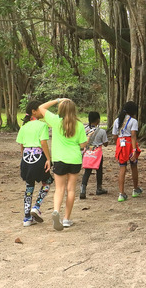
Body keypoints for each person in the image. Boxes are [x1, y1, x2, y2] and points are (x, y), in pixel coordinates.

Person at [37, 97, 87, 231]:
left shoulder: (55, 121)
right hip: (75, 160)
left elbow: (41, 107)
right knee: (71, 189)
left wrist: (57, 100)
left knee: (59, 189)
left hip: (59, 160)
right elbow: (82, 144)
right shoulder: (80, 125)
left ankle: (56, 211)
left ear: (61, 110)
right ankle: (66, 219)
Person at [16, 100, 53, 227]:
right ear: (34, 111)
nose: (42, 112)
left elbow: (21, 145)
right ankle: (36, 206)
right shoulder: (42, 126)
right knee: (47, 182)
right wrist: (48, 159)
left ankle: (26, 218)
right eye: (40, 109)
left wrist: (23, 160)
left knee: (29, 187)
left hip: (26, 159)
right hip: (39, 159)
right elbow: (43, 143)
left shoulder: (24, 127)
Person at [112, 101, 142, 202]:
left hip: (120, 145)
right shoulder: (133, 121)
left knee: (122, 168)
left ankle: (121, 194)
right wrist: (134, 150)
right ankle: (135, 189)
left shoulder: (117, 120)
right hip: (129, 145)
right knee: (134, 166)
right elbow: (133, 135)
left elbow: (114, 136)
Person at [80, 111, 108, 199]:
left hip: (88, 152)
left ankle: (83, 189)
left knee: (87, 171)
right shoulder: (102, 131)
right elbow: (105, 143)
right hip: (97, 153)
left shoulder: (85, 130)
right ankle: (99, 188)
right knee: (99, 170)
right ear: (98, 120)